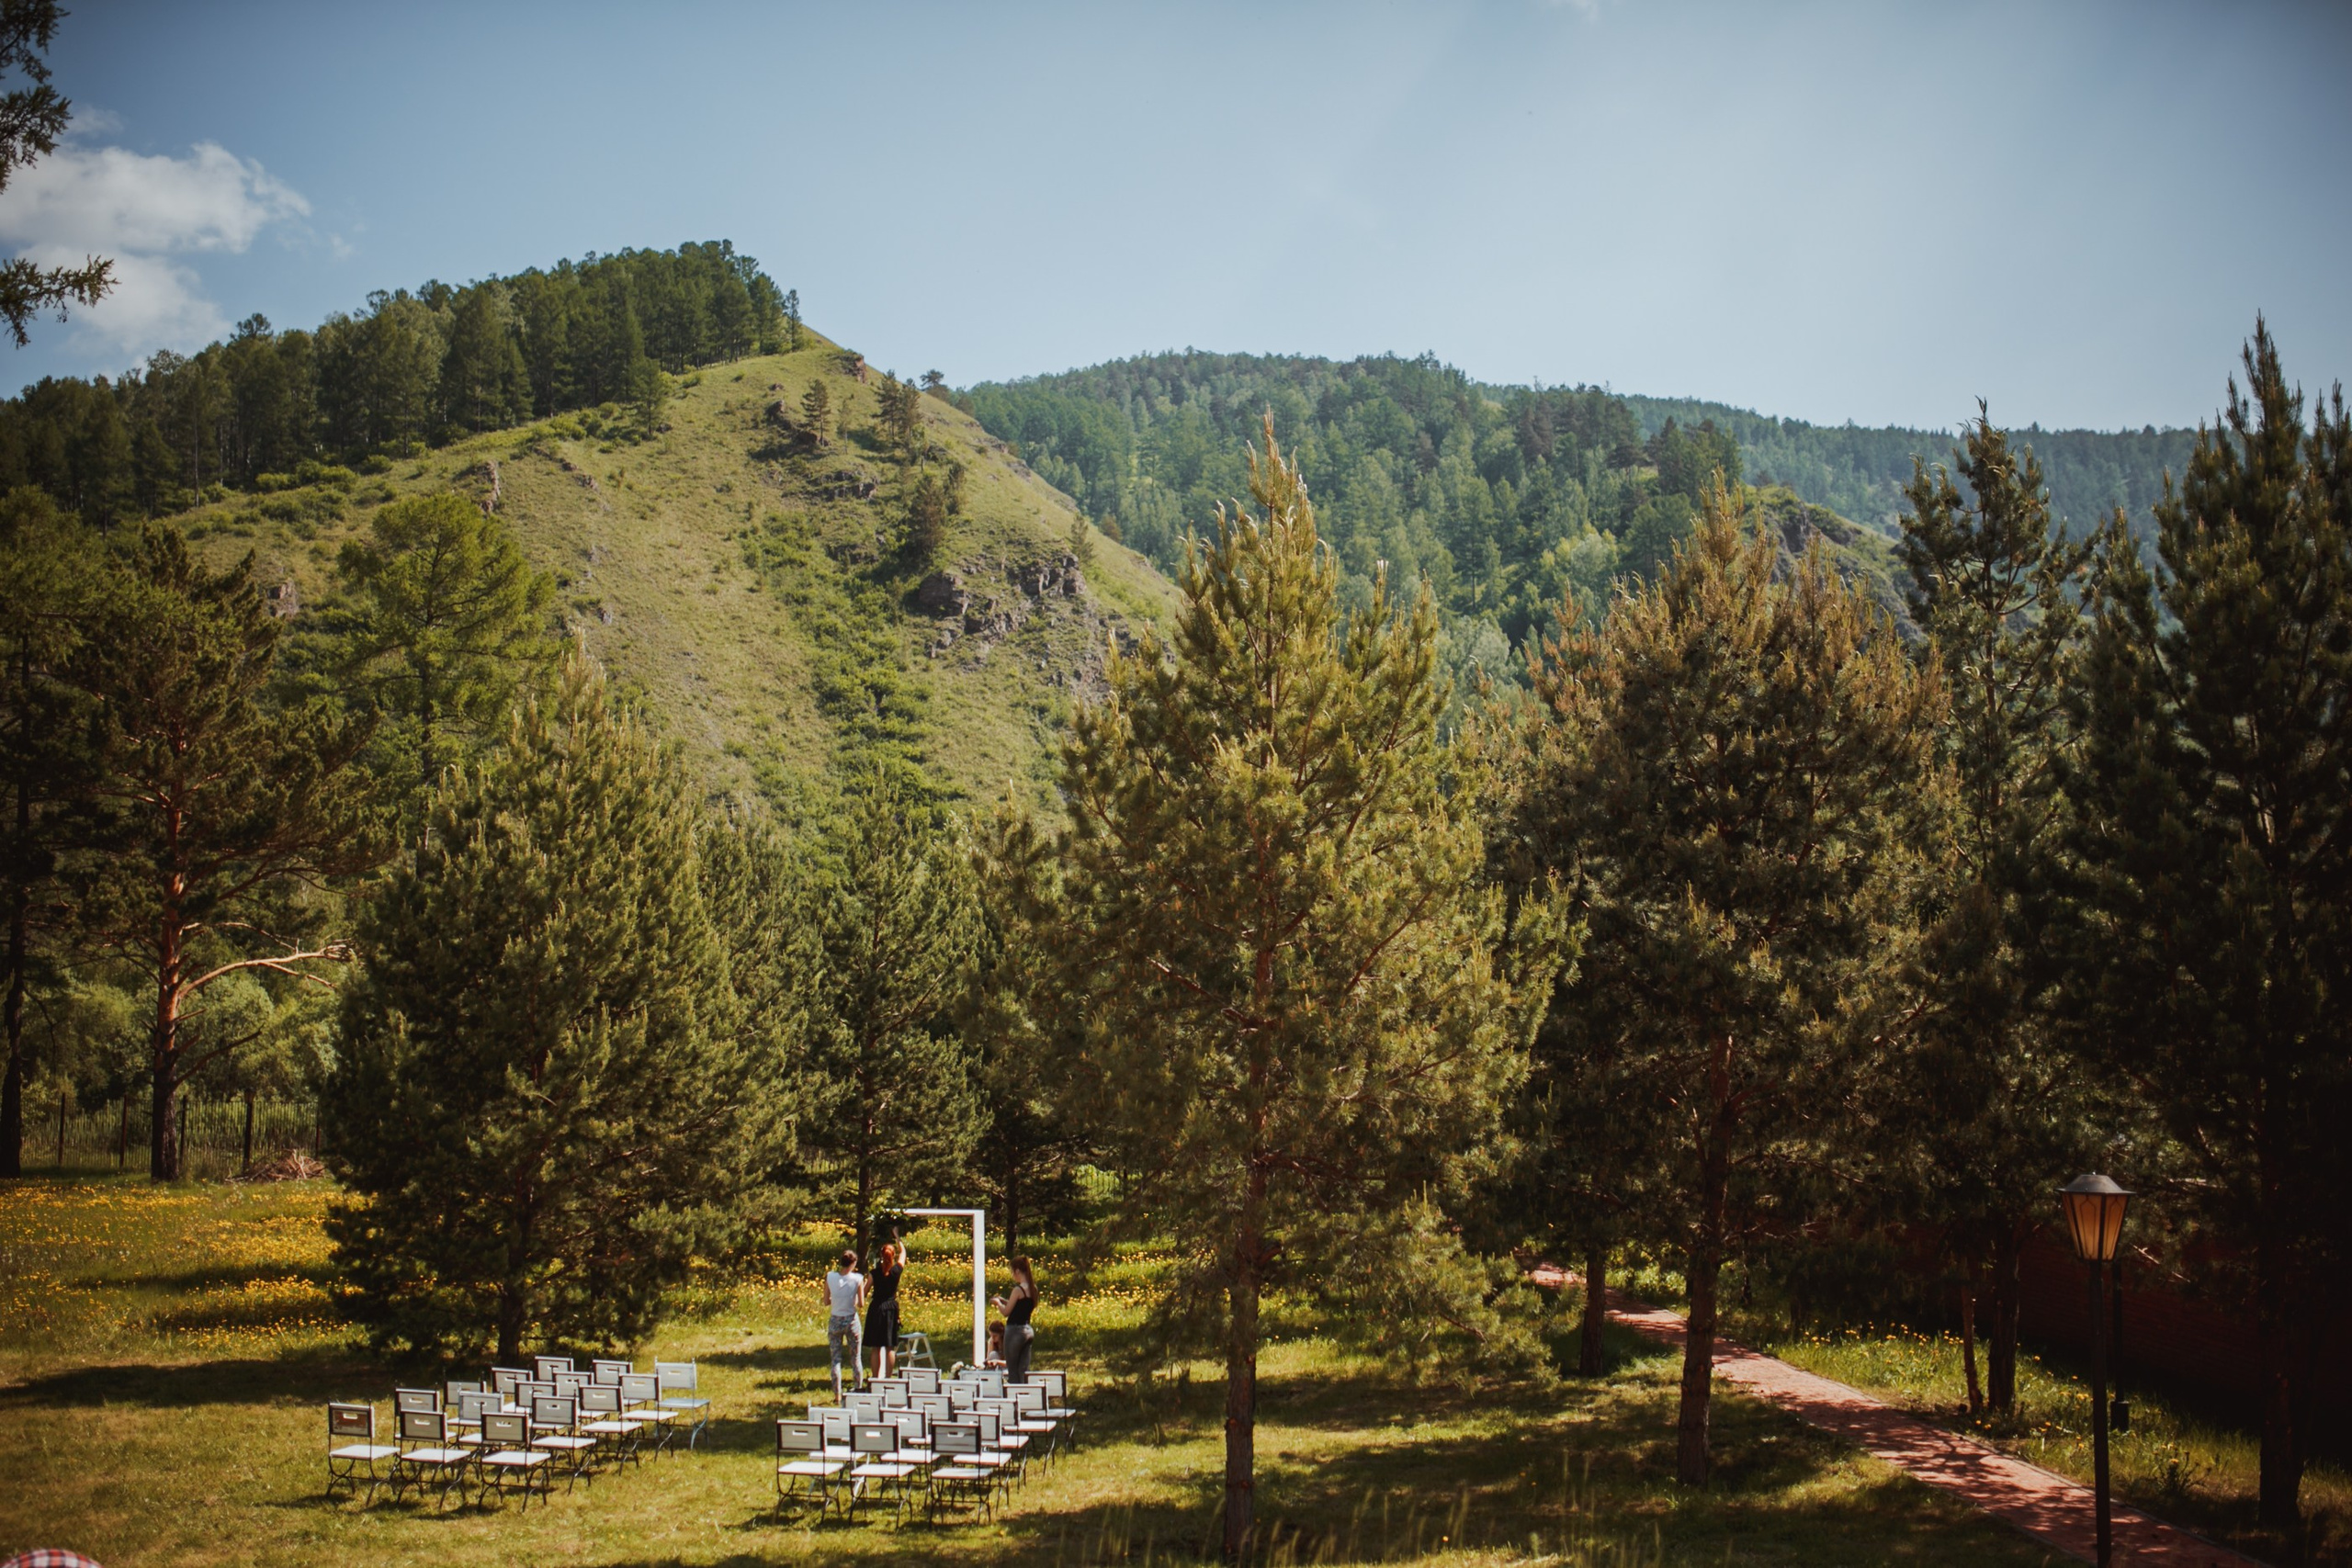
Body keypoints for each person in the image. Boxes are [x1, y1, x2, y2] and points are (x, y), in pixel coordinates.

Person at [822, 1248, 866, 1398]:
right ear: (853, 1263)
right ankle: (858, 1390)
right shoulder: (857, 1279)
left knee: (835, 1359)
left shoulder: (830, 1277)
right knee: (855, 1358)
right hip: (851, 1320)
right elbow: (861, 1304)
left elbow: (826, 1301)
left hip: (835, 1319)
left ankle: (837, 1394)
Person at [990, 1255, 1039, 1383]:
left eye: (1013, 1272)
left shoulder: (1018, 1290)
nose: (1013, 1275)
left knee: (1012, 1369)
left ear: (1017, 1271)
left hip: (1014, 1331)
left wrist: (998, 1303)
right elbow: (1020, 1307)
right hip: (1027, 1330)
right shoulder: (1033, 1289)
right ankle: (1025, 1394)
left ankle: (1014, 1395)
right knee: (1023, 1369)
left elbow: (1006, 1312)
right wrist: (1005, 1301)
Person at [866, 1239, 907, 1382]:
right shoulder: (896, 1271)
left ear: (881, 1256)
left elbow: (865, 1291)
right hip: (890, 1309)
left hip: (877, 1308)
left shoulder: (874, 1273)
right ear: (893, 1255)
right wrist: (897, 1237)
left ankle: (875, 1378)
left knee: (876, 1346)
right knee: (890, 1346)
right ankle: (888, 1378)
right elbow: (904, 1253)